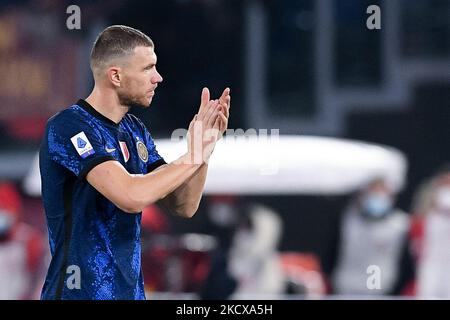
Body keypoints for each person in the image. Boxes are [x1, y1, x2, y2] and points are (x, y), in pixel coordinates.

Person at [39, 25, 230, 300]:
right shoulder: (69, 126)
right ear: (115, 75)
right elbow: (130, 195)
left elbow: (183, 204)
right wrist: (192, 156)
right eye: (148, 68)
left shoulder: (135, 131)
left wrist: (204, 151)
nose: (158, 78)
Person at [330, 178, 412, 296]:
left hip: (380, 288)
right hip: (347, 286)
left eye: (382, 191)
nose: (377, 196)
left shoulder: (400, 224)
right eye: (373, 190)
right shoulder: (348, 219)